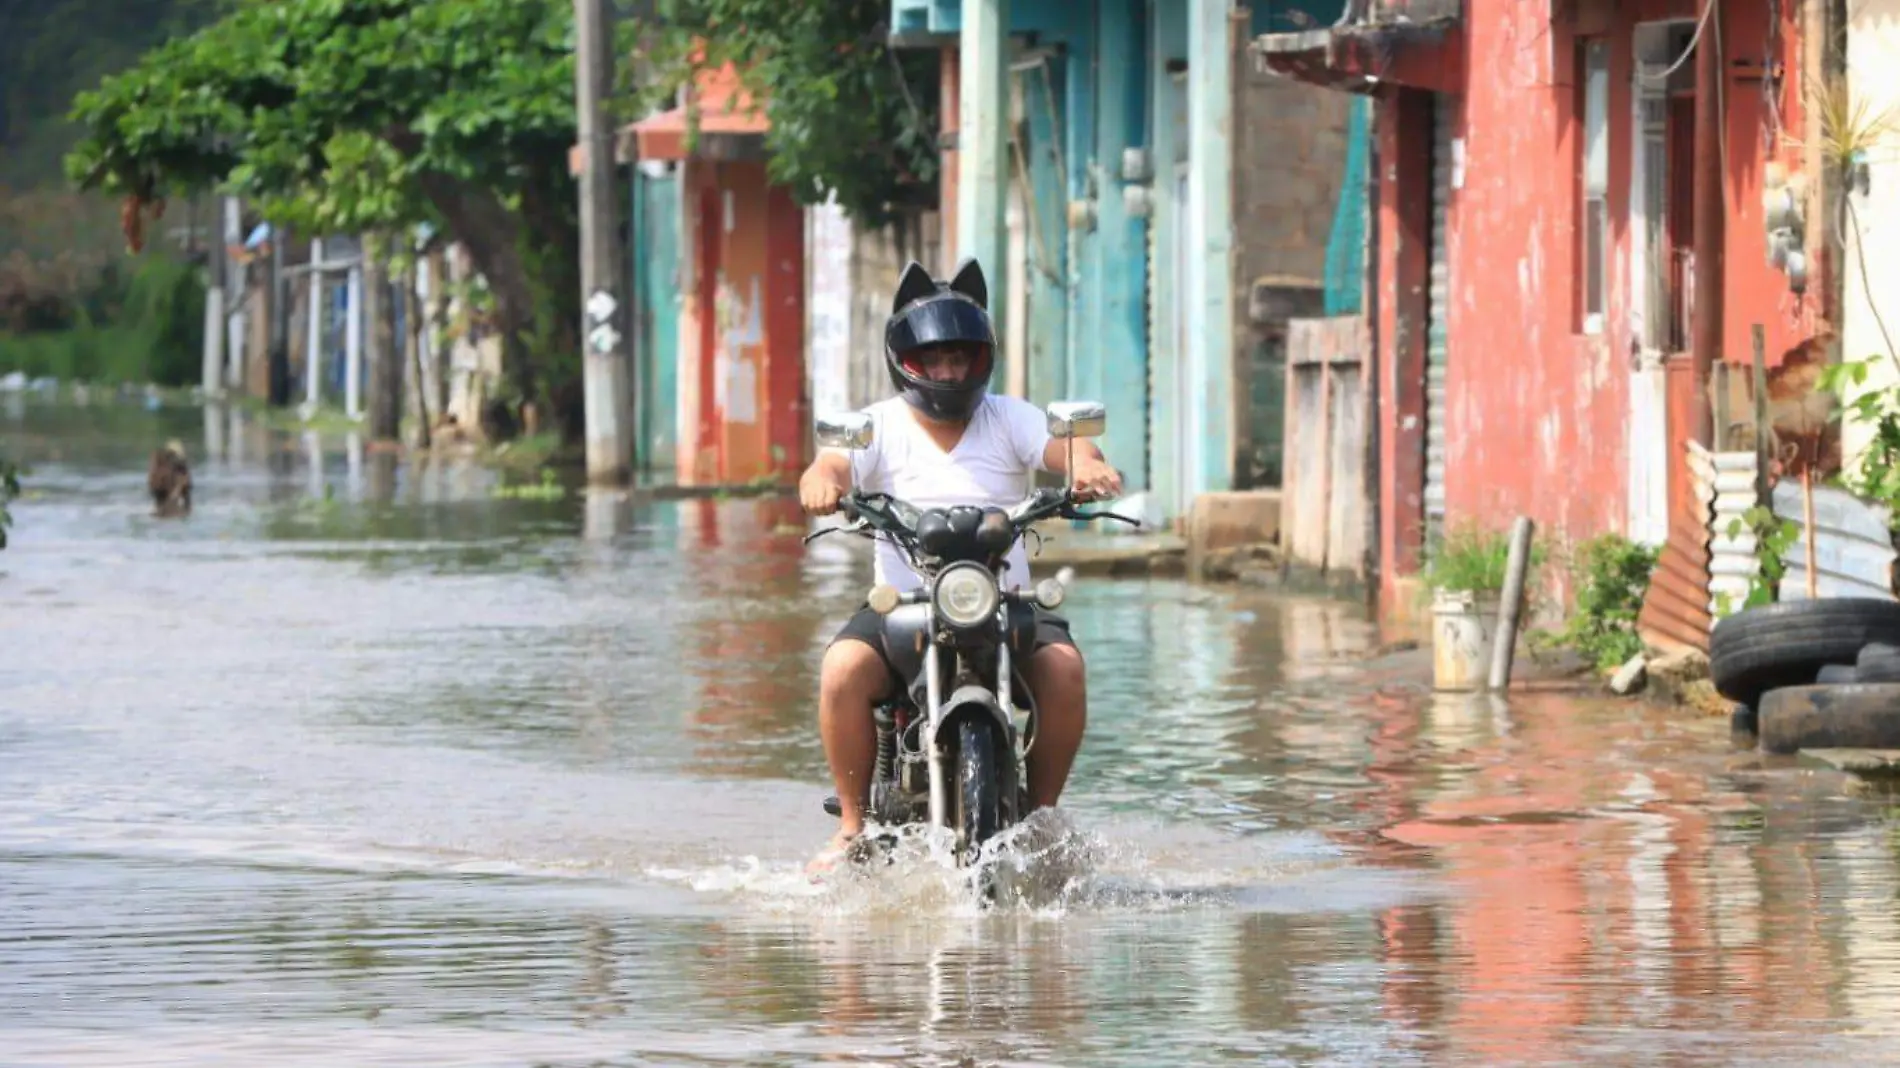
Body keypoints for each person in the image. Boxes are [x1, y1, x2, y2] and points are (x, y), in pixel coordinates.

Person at [797, 257, 1123, 873]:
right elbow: (833, 465)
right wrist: (822, 481)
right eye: (935, 359)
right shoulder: (878, 424)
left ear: (981, 359)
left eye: (960, 358)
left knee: (1065, 670)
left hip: (1005, 601)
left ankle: (1042, 821)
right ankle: (850, 826)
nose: (948, 370)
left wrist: (1086, 467)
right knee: (840, 668)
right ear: (907, 361)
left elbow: (1065, 446)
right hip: (904, 604)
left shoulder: (1008, 415)